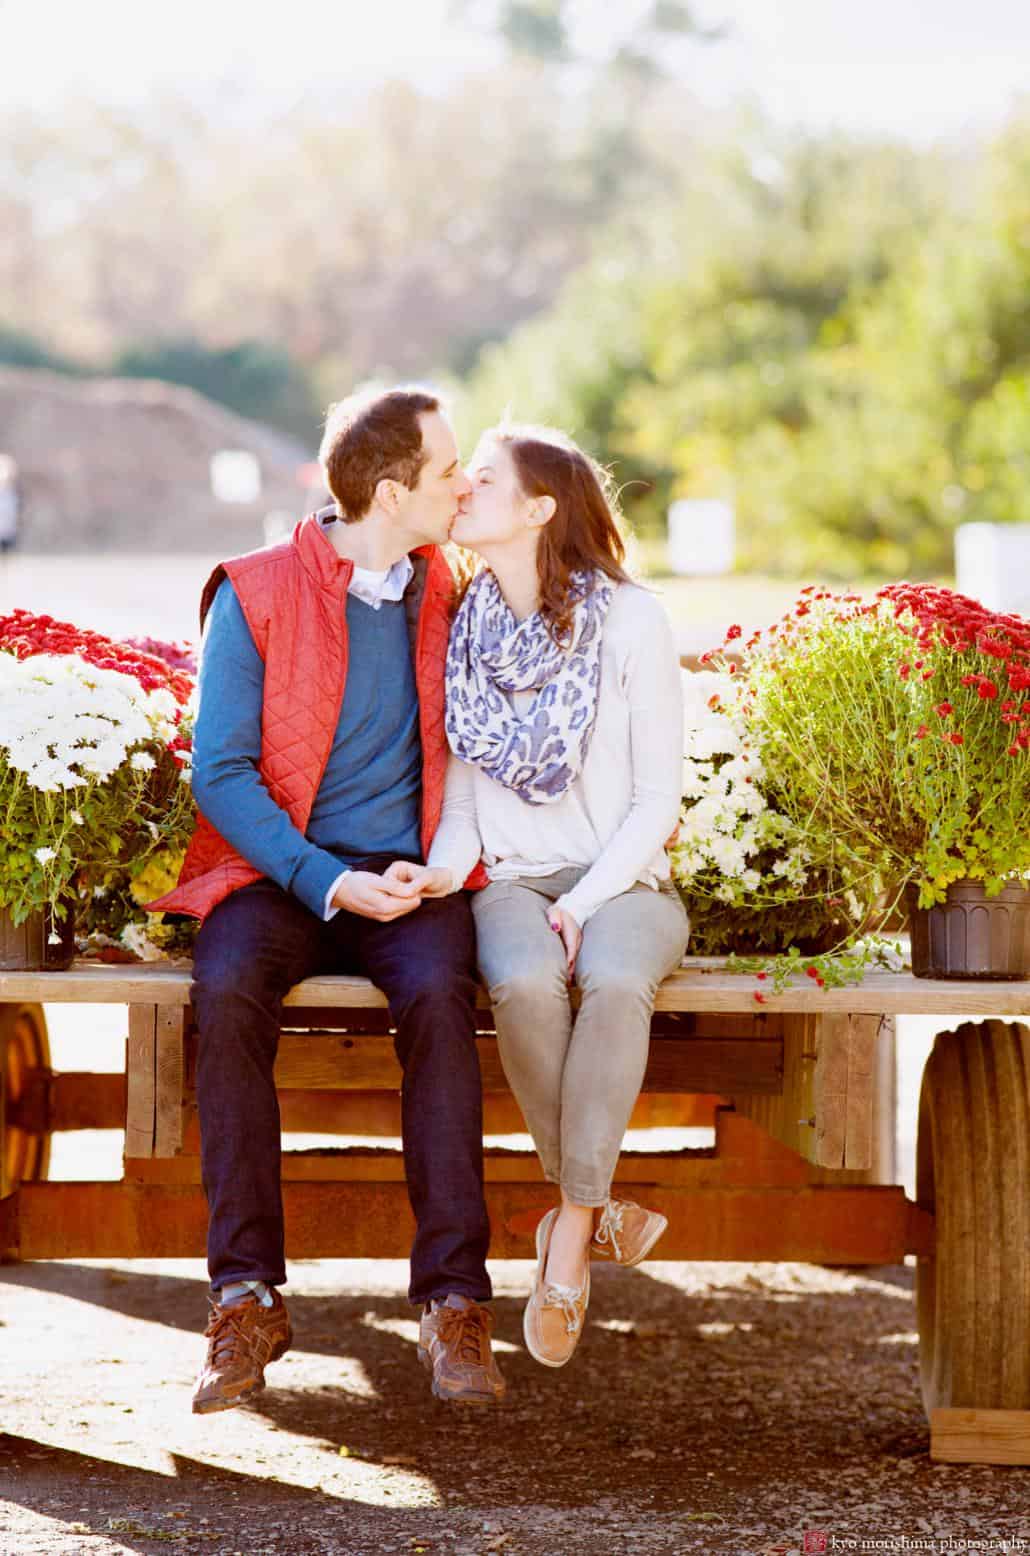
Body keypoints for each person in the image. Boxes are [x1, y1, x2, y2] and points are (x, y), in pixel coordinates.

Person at [148, 387, 505, 1412]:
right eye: (447, 472)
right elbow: (219, 770)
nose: (464, 484)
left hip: (413, 875)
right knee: (224, 992)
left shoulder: (457, 588)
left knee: (443, 997)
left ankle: (451, 1299)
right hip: (280, 872)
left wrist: (429, 867)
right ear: (392, 491)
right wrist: (325, 876)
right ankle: (245, 1295)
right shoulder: (252, 590)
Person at [391, 423, 689, 1369]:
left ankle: (566, 1233)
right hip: (512, 880)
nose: (463, 489)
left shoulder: (633, 622)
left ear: (540, 509)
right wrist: (440, 872)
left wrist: (586, 900)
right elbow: (470, 794)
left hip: (628, 878)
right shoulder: (467, 628)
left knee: (612, 980)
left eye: (484, 479)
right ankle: (598, 1205)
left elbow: (657, 800)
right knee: (520, 984)